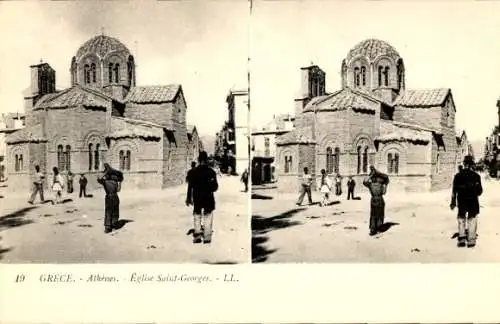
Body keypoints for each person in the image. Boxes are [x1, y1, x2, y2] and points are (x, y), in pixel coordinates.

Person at [186, 151, 219, 244]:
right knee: (208, 215)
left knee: (197, 214)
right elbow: (215, 187)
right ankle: (207, 236)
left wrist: (188, 198)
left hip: (197, 197)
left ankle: (197, 235)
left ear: (198, 160)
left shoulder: (192, 172)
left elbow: (190, 187)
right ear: (207, 160)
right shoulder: (211, 172)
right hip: (208, 198)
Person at [450, 155, 483, 248]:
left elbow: (454, 191)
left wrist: (453, 202)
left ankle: (461, 238)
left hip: (462, 200)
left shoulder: (458, 176)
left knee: (461, 218)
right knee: (472, 218)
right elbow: (480, 191)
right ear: (472, 164)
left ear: (464, 164)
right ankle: (471, 240)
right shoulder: (476, 176)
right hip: (472, 201)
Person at [363, 166, 389, 236]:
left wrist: (371, 175)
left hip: (375, 199)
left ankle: (373, 229)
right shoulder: (379, 185)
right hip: (379, 199)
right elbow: (384, 192)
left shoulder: (370, 185)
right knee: (378, 214)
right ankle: (377, 228)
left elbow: (365, 181)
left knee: (374, 214)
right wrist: (385, 185)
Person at [97, 163, 123, 233]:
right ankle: (114, 224)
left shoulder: (105, 182)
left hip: (109, 197)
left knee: (108, 211)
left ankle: (108, 227)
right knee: (115, 211)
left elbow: (99, 179)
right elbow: (118, 190)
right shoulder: (115, 181)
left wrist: (104, 173)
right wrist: (120, 182)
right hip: (115, 196)